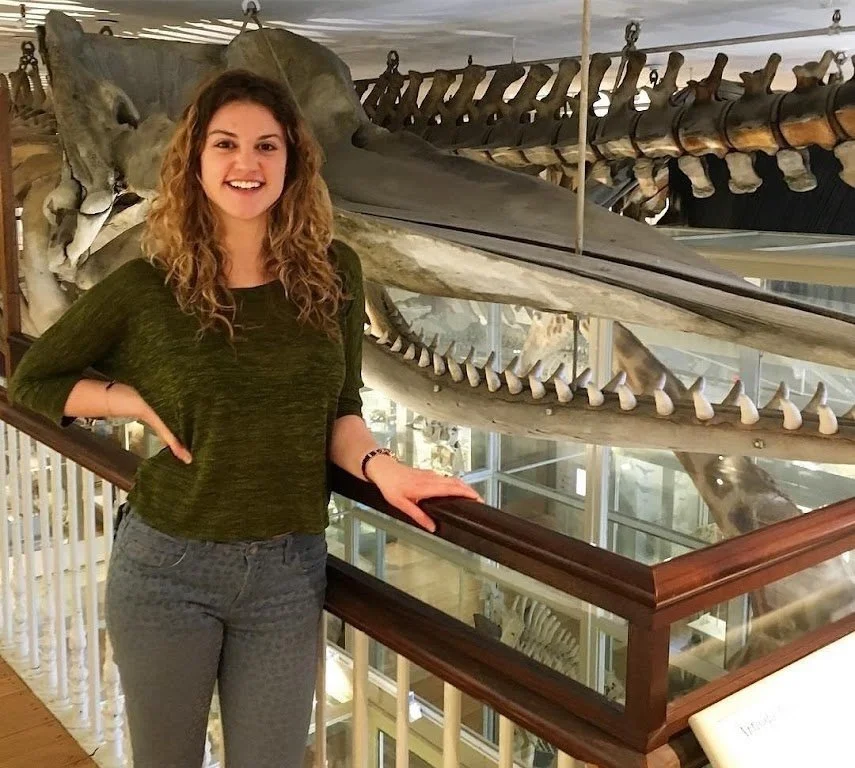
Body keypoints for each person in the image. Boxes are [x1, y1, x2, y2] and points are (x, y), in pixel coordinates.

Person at [8, 69, 481, 768]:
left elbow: (341, 410)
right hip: (168, 566)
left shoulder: (334, 275)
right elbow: (32, 379)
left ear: (291, 161)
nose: (246, 163)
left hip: (287, 574)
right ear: (196, 163)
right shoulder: (147, 289)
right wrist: (129, 399)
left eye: (266, 146)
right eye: (225, 144)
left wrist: (383, 468)